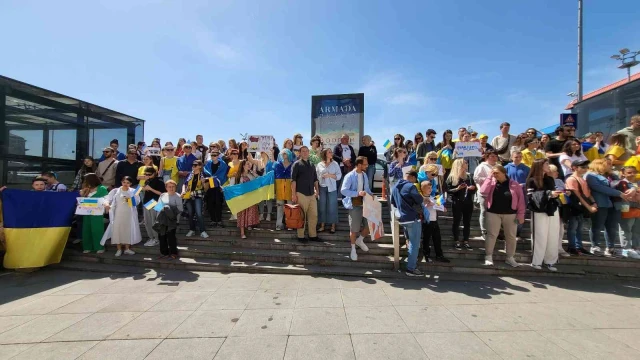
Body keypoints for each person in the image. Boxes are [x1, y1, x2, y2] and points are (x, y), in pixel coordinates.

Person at [480, 165, 526, 267]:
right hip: (493, 213)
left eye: (497, 173)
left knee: (511, 236)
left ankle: (510, 257)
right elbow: (483, 191)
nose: (495, 175)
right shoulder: (491, 183)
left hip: (510, 214)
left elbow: (521, 201)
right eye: (493, 173)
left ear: (504, 173)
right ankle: (488, 256)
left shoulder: (514, 184)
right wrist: (489, 177)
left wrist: (521, 214)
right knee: (491, 235)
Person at [526, 159, 561, 271]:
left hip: (552, 209)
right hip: (539, 211)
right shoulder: (532, 180)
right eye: (546, 164)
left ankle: (550, 261)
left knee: (553, 235)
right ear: (539, 166)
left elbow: (553, 193)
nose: (548, 166)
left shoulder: (550, 179)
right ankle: (536, 261)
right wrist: (549, 194)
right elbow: (531, 196)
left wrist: (557, 194)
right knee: (540, 236)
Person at [391, 170, 424, 276]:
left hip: (402, 218)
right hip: (413, 218)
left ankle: (410, 265)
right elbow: (419, 200)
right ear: (413, 177)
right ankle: (411, 268)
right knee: (414, 244)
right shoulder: (411, 186)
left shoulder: (395, 186)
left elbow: (393, 202)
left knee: (411, 242)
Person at [341, 156, 373, 260]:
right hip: (354, 204)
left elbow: (367, 189)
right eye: (365, 164)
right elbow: (343, 190)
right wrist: (357, 193)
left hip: (365, 204)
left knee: (369, 226)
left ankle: (360, 240)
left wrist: (370, 194)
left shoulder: (364, 175)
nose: (367, 166)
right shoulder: (349, 176)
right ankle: (353, 248)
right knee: (354, 229)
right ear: (359, 165)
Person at [102, 176, 141, 256]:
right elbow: (107, 199)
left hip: (129, 214)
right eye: (124, 182)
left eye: (128, 183)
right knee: (117, 230)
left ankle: (127, 248)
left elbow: (136, 203)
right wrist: (106, 204)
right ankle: (119, 249)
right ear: (121, 182)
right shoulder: (115, 191)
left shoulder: (134, 191)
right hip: (118, 214)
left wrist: (128, 199)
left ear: (130, 184)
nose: (125, 184)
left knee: (128, 231)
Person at [565, 159, 597, 255]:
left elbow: (588, 193)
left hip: (582, 207)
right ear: (574, 168)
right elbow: (577, 195)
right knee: (573, 227)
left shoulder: (582, 179)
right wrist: (589, 207)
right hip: (575, 206)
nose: (585, 169)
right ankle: (572, 246)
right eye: (583, 167)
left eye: (586, 167)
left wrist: (593, 202)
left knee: (579, 228)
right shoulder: (571, 179)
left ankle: (579, 246)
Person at [291, 146, 320, 242]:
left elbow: (315, 179)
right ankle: (301, 236)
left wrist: (317, 191)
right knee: (301, 216)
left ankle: (313, 235)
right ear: (299, 153)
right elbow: (293, 180)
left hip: (312, 194)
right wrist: (293, 194)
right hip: (301, 193)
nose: (305, 153)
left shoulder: (312, 165)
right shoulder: (296, 164)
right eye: (303, 151)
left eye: (307, 151)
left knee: (314, 215)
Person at [446, 159, 476, 250]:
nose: (467, 164)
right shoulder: (451, 177)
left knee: (467, 222)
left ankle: (466, 241)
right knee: (457, 222)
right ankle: (456, 241)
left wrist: (472, 188)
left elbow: (475, 190)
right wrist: (457, 189)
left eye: (467, 162)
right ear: (459, 165)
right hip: (457, 202)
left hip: (468, 202)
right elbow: (448, 190)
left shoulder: (470, 176)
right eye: (465, 163)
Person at [420, 180, 449, 263]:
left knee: (437, 239)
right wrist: (427, 205)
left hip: (434, 221)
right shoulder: (421, 199)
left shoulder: (434, 198)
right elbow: (420, 209)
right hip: (426, 222)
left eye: (430, 187)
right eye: (427, 188)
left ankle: (439, 255)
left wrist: (440, 207)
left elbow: (444, 208)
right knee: (426, 239)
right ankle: (426, 256)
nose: (430, 189)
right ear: (422, 189)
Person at [79, 173, 108, 254]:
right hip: (86, 212)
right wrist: (82, 194)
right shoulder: (86, 189)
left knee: (97, 229)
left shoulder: (101, 188)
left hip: (97, 212)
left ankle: (99, 247)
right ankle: (87, 247)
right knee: (86, 229)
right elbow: (81, 200)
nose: (84, 182)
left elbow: (106, 199)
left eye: (85, 180)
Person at [615, 166, 640, 259]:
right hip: (626, 208)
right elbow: (627, 195)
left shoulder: (637, 183)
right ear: (624, 173)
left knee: (637, 231)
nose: (632, 174)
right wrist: (635, 191)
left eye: (634, 172)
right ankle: (626, 249)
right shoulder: (621, 182)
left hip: (638, 208)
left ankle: (636, 248)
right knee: (626, 230)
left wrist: (635, 191)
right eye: (629, 172)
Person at [474, 149, 499, 239]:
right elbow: (476, 178)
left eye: (496, 156)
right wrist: (489, 178)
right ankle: (484, 230)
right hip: (484, 193)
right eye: (492, 156)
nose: (494, 158)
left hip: (496, 192)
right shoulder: (481, 166)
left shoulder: (499, 166)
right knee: (484, 211)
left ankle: (495, 231)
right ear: (487, 157)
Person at [156, 180, 183, 259]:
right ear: (166, 188)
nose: (171, 188)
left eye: (173, 187)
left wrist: (177, 220)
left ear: (175, 187)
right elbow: (158, 207)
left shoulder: (178, 196)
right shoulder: (162, 195)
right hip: (162, 219)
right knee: (162, 236)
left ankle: (173, 253)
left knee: (171, 237)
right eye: (169, 187)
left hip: (172, 220)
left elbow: (180, 209)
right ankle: (164, 253)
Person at [317, 148, 341, 234]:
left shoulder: (335, 164)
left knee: (332, 206)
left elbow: (339, 176)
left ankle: (333, 226)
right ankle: (322, 226)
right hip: (322, 187)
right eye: (329, 152)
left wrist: (330, 175)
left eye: (331, 152)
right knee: (322, 206)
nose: (331, 153)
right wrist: (321, 177)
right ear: (325, 154)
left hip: (332, 187)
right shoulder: (319, 164)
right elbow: (316, 175)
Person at [203, 148, 229, 227]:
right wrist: (210, 178)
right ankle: (213, 220)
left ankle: (219, 220)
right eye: (212, 155)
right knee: (210, 203)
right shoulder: (208, 164)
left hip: (218, 186)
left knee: (218, 203)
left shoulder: (223, 164)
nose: (213, 156)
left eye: (215, 155)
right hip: (209, 186)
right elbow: (205, 173)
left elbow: (223, 175)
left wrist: (215, 178)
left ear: (218, 156)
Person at [140, 167, 165, 247]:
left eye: (149, 174)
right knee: (147, 222)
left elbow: (162, 193)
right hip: (147, 202)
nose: (147, 176)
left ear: (154, 173)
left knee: (154, 222)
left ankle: (156, 239)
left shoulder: (159, 181)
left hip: (156, 203)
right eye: (146, 174)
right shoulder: (147, 181)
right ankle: (151, 238)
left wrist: (150, 189)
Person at [235, 160, 260, 239]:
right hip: (242, 198)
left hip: (250, 197)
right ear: (243, 166)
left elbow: (259, 179)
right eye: (247, 164)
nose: (249, 165)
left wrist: (254, 173)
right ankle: (242, 233)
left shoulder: (251, 174)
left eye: (249, 164)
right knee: (242, 215)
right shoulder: (238, 175)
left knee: (250, 213)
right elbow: (235, 186)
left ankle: (249, 224)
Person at [274, 148, 294, 230]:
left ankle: (290, 224)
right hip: (279, 185)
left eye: (285, 153)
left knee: (290, 205)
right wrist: (274, 190)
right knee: (279, 206)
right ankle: (279, 224)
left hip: (290, 185)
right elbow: (275, 176)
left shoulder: (293, 164)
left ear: (289, 154)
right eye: (282, 153)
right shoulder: (278, 164)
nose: (284, 155)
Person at [257, 151, 274, 221]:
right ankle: (261, 214)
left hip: (269, 183)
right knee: (261, 199)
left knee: (269, 199)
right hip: (261, 183)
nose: (261, 154)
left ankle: (269, 214)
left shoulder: (271, 162)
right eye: (260, 153)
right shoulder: (259, 162)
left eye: (263, 153)